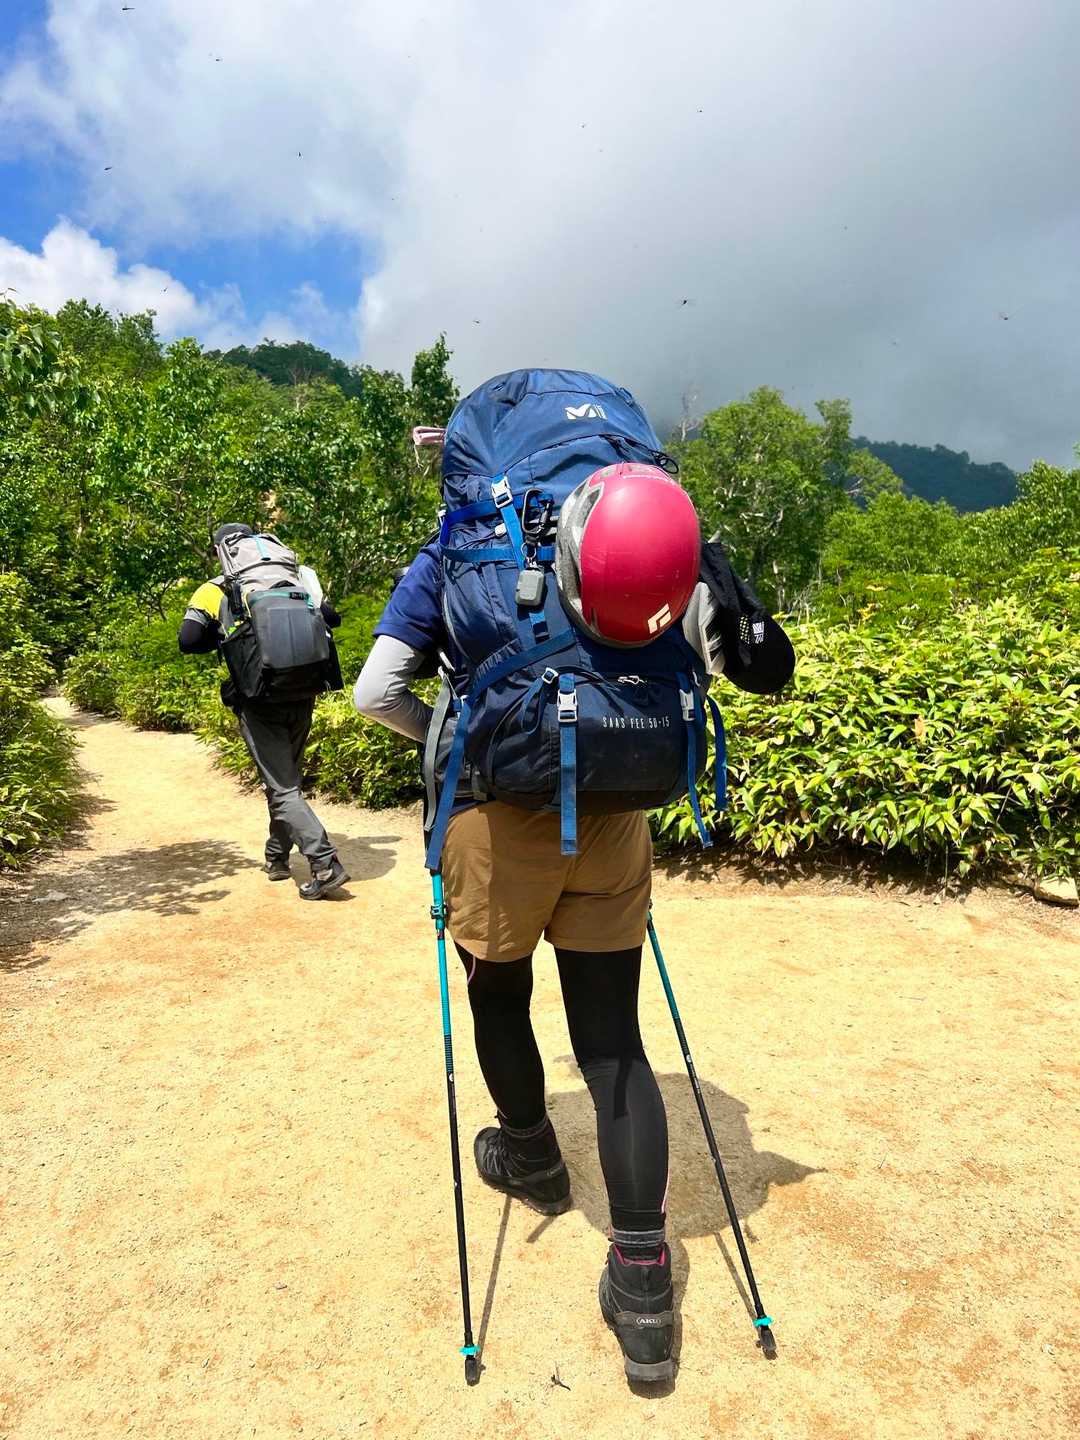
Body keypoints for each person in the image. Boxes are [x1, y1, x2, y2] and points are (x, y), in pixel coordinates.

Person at [354, 520, 684, 1383]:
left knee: (499, 998)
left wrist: (468, 744)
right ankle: (644, 1286)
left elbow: (376, 691)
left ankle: (533, 1159)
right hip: (613, 816)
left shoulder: (456, 550)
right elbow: (707, 660)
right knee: (614, 1044)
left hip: (492, 818)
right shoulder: (627, 530)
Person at [178, 522, 349, 901]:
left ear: (221, 551)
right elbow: (332, 617)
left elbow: (188, 640)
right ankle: (277, 857)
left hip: (258, 695)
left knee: (282, 787)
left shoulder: (217, 588)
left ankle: (325, 863)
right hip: (304, 688)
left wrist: (225, 636)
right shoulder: (299, 577)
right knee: (286, 781)